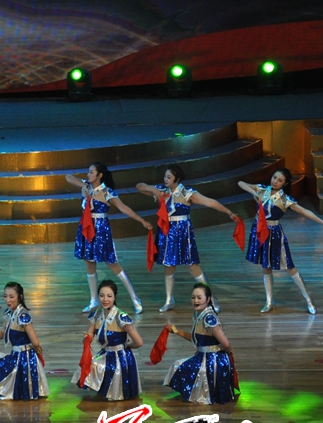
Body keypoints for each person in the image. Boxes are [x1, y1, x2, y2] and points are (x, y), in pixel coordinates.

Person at [136, 164, 238, 313]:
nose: (165, 179)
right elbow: (139, 186)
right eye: (165, 176)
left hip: (183, 230)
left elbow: (209, 202)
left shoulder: (187, 192)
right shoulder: (162, 190)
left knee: (192, 265)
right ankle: (169, 300)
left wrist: (229, 212)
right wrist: (153, 190)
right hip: (167, 230)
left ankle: (211, 298)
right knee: (169, 265)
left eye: (169, 177)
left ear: (177, 179)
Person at [239, 169, 323, 314]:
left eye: (279, 180)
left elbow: (305, 211)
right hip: (259, 231)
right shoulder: (262, 189)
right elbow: (241, 183)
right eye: (274, 177)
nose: (275, 181)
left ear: (285, 183)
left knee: (290, 267)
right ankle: (269, 301)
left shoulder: (285, 199)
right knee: (265, 267)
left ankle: (309, 300)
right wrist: (254, 192)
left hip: (274, 233)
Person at [67, 162, 153, 313]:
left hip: (100, 230)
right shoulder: (86, 186)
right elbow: (68, 177)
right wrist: (83, 185)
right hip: (86, 228)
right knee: (89, 264)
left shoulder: (107, 192)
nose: (88, 174)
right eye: (88, 172)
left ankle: (135, 299)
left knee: (113, 265)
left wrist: (141, 220)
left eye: (91, 172)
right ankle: (93, 300)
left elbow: (124, 208)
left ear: (99, 175)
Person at [164, 283, 236, 404]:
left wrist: (230, 354)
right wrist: (176, 330)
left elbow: (225, 343)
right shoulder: (198, 315)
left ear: (207, 299)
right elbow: (195, 339)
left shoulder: (209, 318)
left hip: (213, 360)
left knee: (179, 366)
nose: (195, 301)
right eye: (193, 297)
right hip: (203, 356)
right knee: (177, 365)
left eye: (199, 297)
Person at [71, 280, 143, 400]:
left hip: (120, 358)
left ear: (114, 297)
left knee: (99, 367)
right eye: (102, 295)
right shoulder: (96, 315)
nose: (105, 299)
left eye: (109, 296)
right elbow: (88, 339)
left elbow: (139, 342)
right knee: (87, 366)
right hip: (105, 353)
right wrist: (87, 339)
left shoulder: (121, 317)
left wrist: (127, 347)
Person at [0, 282, 49, 401]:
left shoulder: (23, 316)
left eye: (11, 297)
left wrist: (36, 353)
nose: (7, 300)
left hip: (25, 357)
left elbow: (35, 342)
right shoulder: (9, 313)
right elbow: (2, 333)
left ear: (20, 297)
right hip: (16, 354)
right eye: (5, 296)